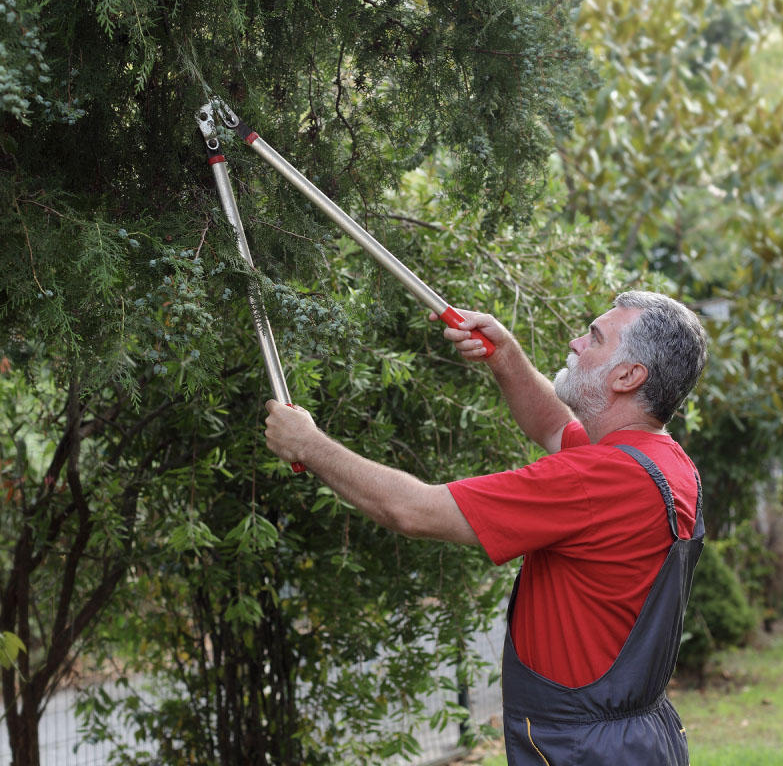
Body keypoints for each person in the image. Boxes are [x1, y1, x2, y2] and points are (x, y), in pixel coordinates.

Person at [264, 290, 708, 766]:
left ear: (627, 375)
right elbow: (555, 427)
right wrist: (505, 356)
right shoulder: (663, 462)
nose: (577, 343)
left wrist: (309, 445)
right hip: (639, 737)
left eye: (594, 338)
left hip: (582, 749)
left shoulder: (593, 480)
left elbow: (412, 510)